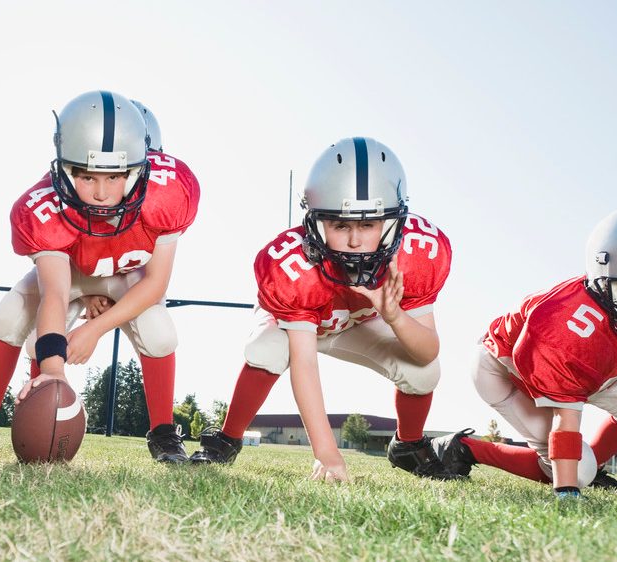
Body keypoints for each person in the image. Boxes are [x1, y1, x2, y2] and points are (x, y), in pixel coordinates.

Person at [0, 92, 201, 463]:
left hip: (127, 276)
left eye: (115, 177)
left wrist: (95, 328)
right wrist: (55, 371)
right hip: (72, 272)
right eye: (86, 175)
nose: (100, 193)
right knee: (9, 318)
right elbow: (56, 294)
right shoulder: (41, 207)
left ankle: (163, 434)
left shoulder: (168, 194)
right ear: (64, 168)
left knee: (160, 331)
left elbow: (155, 284)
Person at [190, 137, 461, 481]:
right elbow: (304, 363)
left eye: (368, 225)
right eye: (340, 225)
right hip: (296, 323)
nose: (354, 240)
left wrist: (396, 318)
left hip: (356, 323)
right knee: (265, 350)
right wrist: (327, 453)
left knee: (425, 374)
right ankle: (227, 439)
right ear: (316, 223)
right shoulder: (294, 265)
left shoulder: (416, 255)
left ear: (392, 224)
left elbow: (427, 352)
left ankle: (408, 445)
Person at [433, 201, 617, 497]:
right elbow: (565, 423)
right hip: (505, 370)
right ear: (609, 280)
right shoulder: (564, 330)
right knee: (575, 472)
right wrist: (567, 490)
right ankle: (465, 449)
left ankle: (594, 469)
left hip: (590, 369)